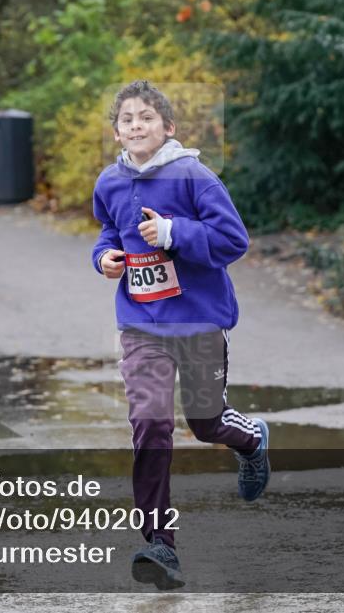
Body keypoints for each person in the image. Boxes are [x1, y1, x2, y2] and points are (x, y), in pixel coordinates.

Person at [90, 80, 270, 590]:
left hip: (198, 320)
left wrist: (174, 233)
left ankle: (252, 439)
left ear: (168, 127)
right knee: (149, 425)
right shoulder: (109, 181)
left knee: (206, 422)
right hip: (141, 323)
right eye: (127, 119)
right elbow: (108, 231)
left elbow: (233, 240)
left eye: (146, 117)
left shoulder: (194, 176)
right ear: (117, 132)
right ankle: (159, 545)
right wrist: (103, 258)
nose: (136, 126)